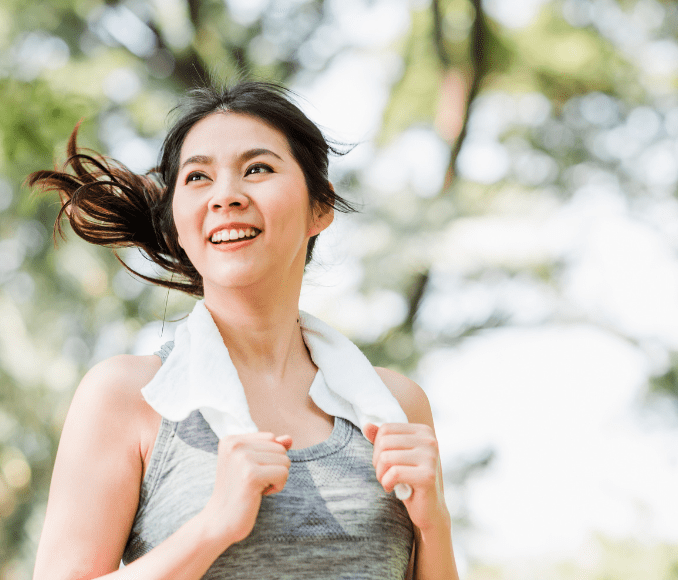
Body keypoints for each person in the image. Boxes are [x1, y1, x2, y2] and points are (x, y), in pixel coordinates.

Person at [27, 81, 459, 579]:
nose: (226, 196)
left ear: (320, 207)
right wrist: (213, 526)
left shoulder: (395, 408)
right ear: (175, 222)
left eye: (258, 169)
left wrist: (435, 524)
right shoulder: (129, 396)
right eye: (198, 178)